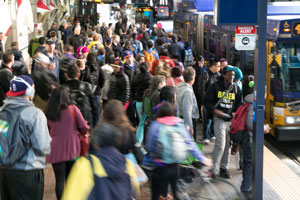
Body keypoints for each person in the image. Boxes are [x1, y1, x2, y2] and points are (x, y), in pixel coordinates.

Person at [0, 75, 51, 200]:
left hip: (4, 172)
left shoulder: (2, 111)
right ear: (30, 91)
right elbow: (43, 147)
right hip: (28, 173)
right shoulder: (35, 114)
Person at [146, 102, 211, 200]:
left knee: (155, 193)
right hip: (175, 166)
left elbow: (149, 145)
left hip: (160, 167)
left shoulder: (156, 125)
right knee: (175, 193)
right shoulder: (179, 124)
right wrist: (202, 158)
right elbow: (190, 143)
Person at [62, 123, 140, 200]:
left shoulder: (85, 165)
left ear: (96, 143)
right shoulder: (128, 164)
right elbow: (135, 193)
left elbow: (70, 197)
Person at [45, 86, 89, 200]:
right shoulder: (73, 109)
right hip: (72, 148)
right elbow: (84, 126)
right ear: (65, 97)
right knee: (70, 179)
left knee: (59, 181)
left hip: (55, 149)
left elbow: (46, 130)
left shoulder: (48, 112)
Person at [203, 66, 242, 179]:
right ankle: (214, 169)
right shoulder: (215, 87)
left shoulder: (235, 88)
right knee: (220, 144)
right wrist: (214, 110)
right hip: (219, 119)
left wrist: (236, 112)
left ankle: (223, 167)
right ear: (223, 75)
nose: (231, 77)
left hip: (230, 120)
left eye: (233, 75)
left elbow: (240, 103)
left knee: (228, 145)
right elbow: (206, 101)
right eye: (229, 74)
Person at [199, 58, 221, 144]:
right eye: (218, 66)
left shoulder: (218, 75)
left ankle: (212, 134)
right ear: (213, 66)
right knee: (207, 119)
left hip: (216, 102)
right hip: (208, 102)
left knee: (213, 119)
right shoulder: (205, 75)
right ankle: (206, 136)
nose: (220, 67)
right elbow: (201, 89)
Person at [176, 67, 199, 141]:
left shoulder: (178, 86)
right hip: (186, 121)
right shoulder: (188, 92)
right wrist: (190, 127)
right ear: (193, 78)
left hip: (179, 119)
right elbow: (187, 111)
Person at [132, 62, 152, 143]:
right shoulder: (150, 78)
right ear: (148, 68)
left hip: (138, 102)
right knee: (144, 122)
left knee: (141, 122)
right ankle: (139, 141)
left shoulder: (136, 78)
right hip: (146, 102)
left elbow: (133, 89)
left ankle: (139, 141)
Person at [192, 55, 208, 121]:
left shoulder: (206, 68)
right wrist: (200, 68)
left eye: (203, 61)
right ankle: (199, 116)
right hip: (196, 88)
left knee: (203, 102)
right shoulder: (194, 68)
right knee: (198, 102)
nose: (202, 62)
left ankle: (204, 116)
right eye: (200, 61)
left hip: (204, 88)